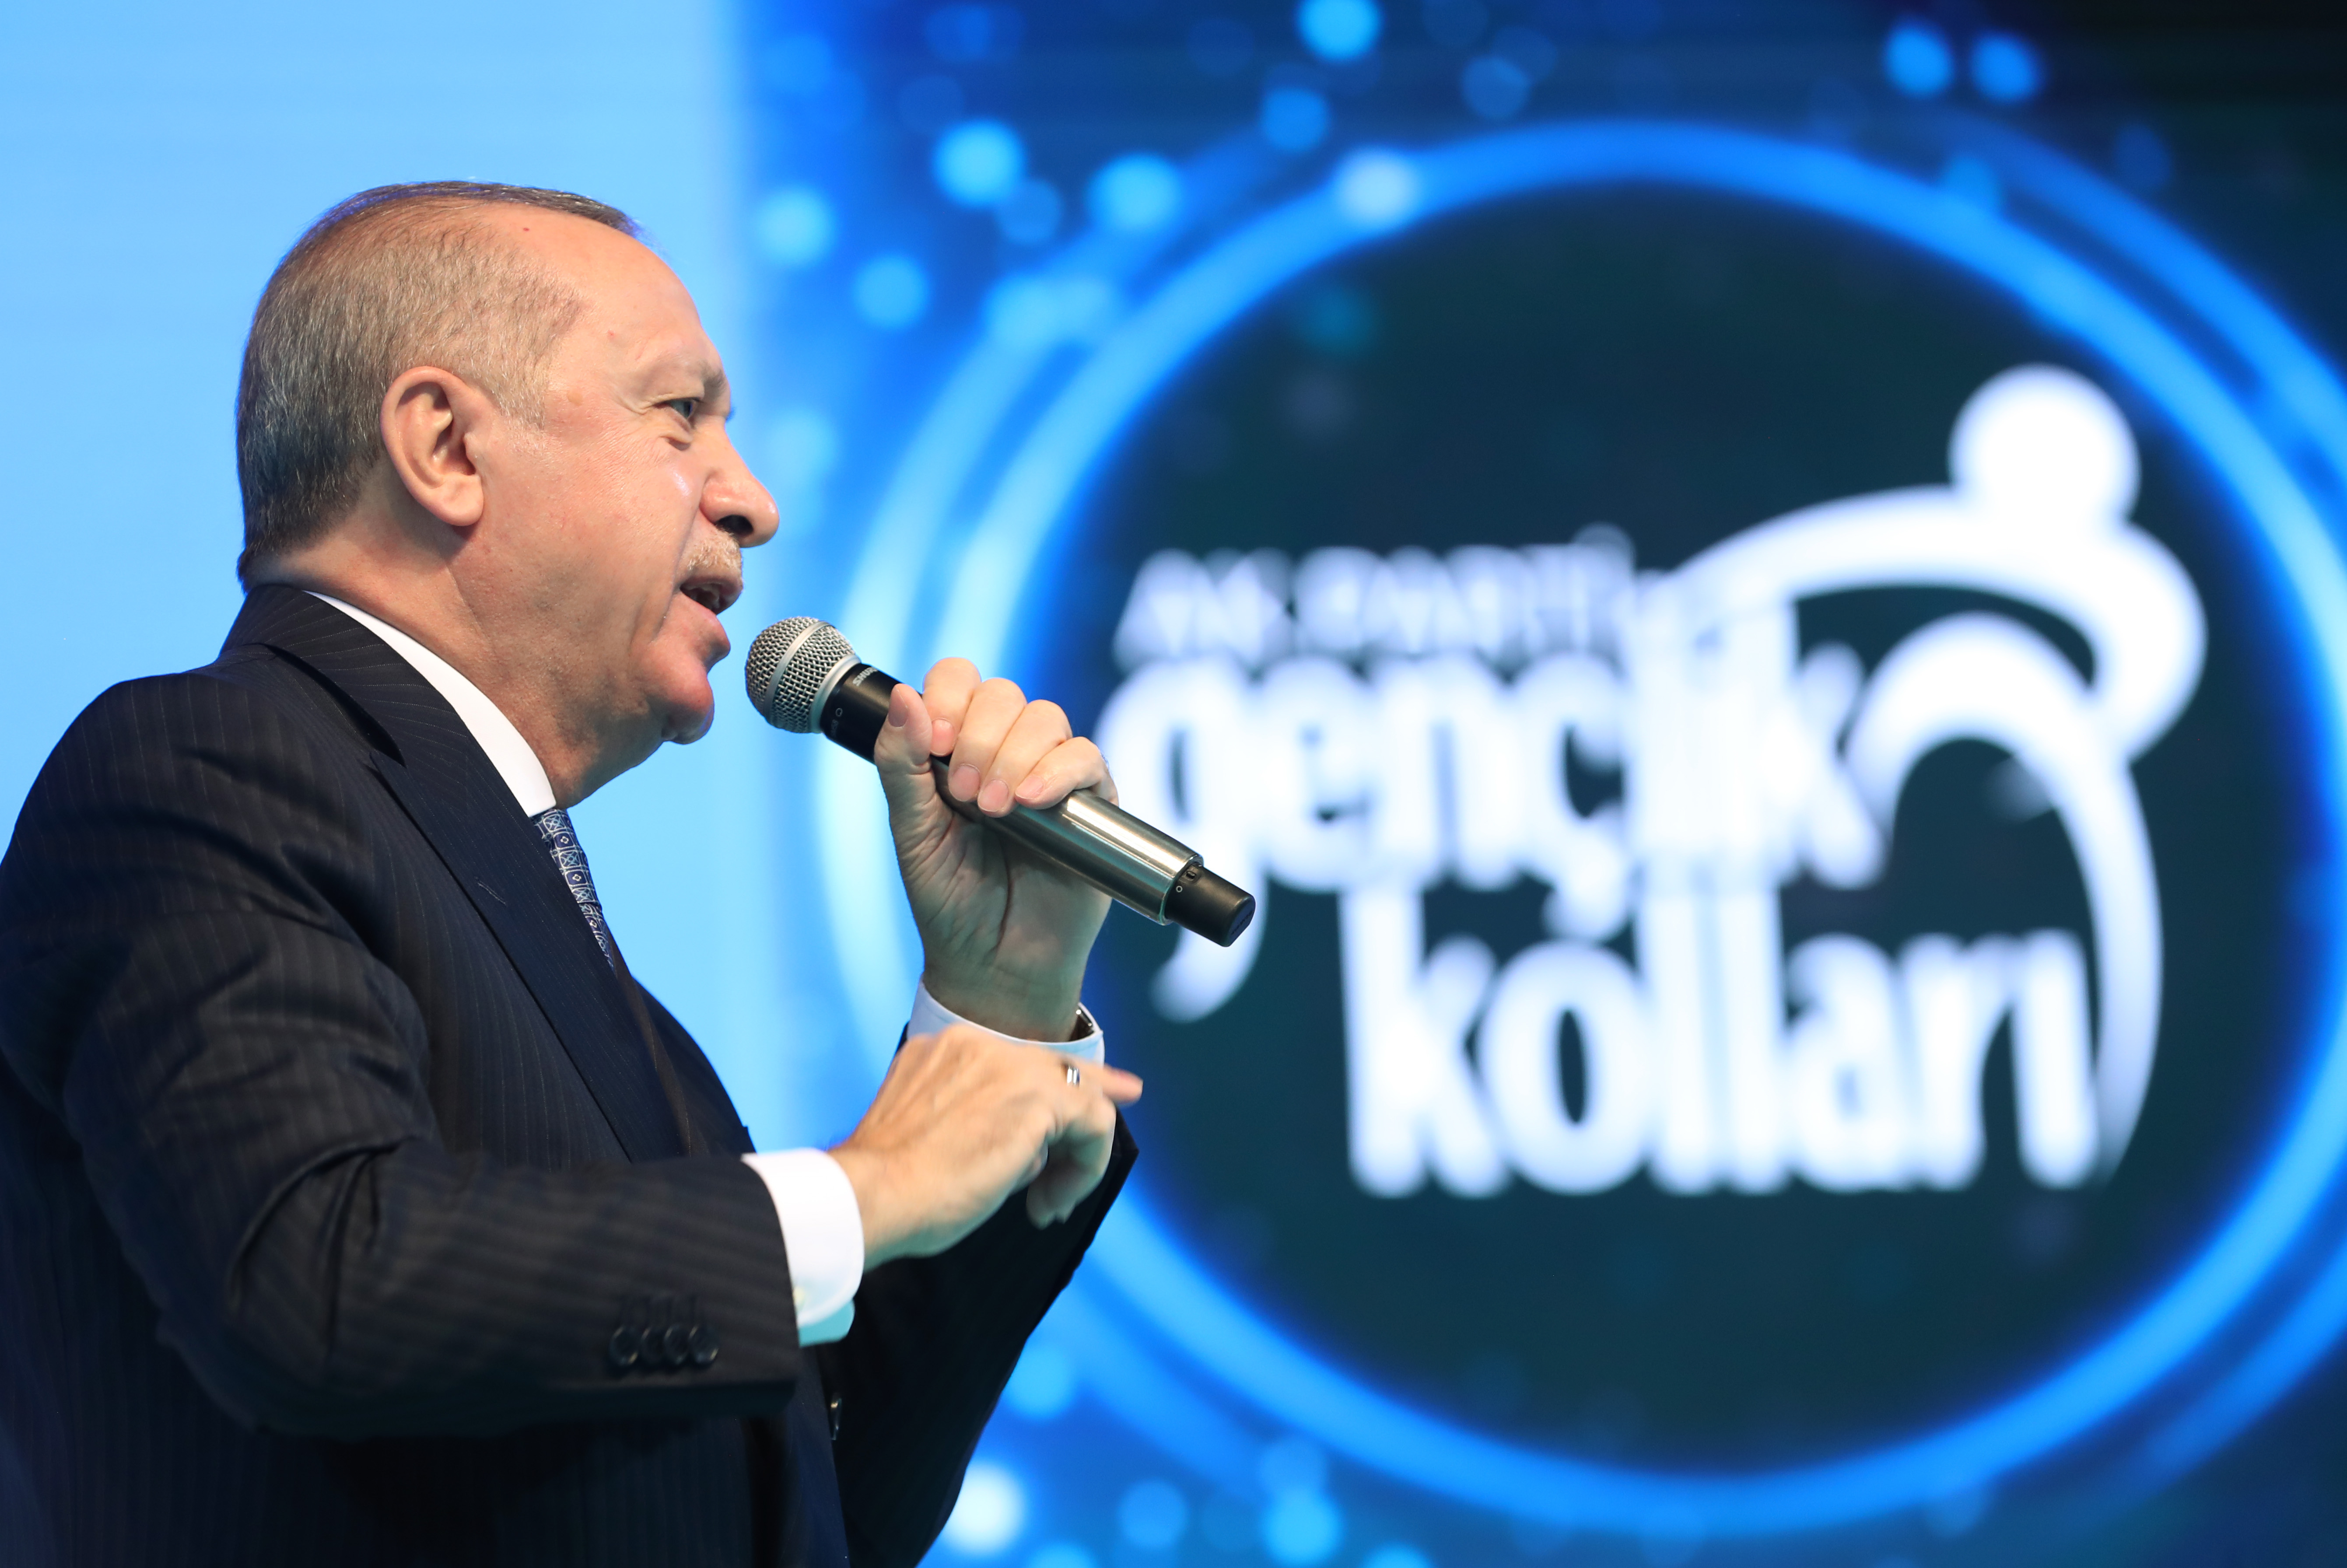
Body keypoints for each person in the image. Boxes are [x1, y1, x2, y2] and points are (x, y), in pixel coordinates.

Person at [0, 182, 1142, 1568]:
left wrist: (998, 1000)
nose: (754, 500)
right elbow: (315, 1277)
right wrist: (865, 1189)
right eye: (680, 415)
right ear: (446, 448)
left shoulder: (606, 1000)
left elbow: (814, 1509)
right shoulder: (198, 768)